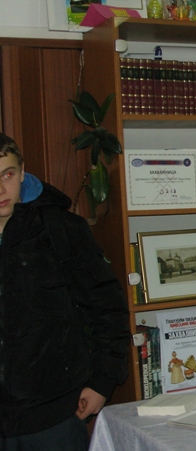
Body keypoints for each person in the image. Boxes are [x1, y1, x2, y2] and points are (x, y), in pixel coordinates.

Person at [0, 133, 129, 450]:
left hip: (53, 416)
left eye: (7, 174)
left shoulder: (60, 227)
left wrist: (102, 382)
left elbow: (106, 308)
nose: (1, 189)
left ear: (22, 171)